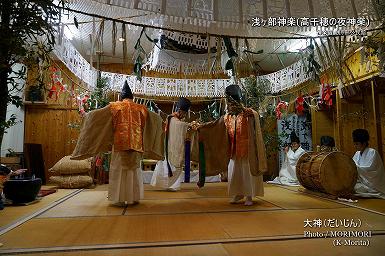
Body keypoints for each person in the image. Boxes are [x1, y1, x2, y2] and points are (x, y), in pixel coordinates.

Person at [72, 81, 164, 206]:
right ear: (132, 97)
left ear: (121, 97)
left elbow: (96, 116)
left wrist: (86, 116)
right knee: (133, 172)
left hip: (120, 144)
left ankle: (119, 200)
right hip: (137, 146)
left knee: (119, 171)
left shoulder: (115, 106)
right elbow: (156, 119)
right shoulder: (141, 108)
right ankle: (134, 198)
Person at [216, 84, 267, 206]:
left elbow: (255, 115)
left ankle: (249, 196)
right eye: (229, 104)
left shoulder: (247, 114)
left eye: (233, 103)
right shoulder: (228, 117)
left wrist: (253, 114)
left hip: (247, 149)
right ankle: (237, 194)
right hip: (233, 150)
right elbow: (217, 126)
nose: (231, 106)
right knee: (234, 173)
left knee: (247, 173)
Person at [150, 97, 192, 191]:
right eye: (184, 113)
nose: (184, 115)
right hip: (169, 146)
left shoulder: (173, 119)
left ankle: (173, 185)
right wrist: (187, 125)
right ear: (180, 111)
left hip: (172, 145)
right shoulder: (172, 118)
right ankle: (166, 185)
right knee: (168, 166)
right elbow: (178, 125)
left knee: (172, 166)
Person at [352, 129, 385, 199]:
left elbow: (369, 170)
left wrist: (353, 167)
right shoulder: (357, 153)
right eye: (354, 144)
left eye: (357, 144)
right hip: (361, 182)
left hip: (373, 185)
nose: (355, 146)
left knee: (356, 189)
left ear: (364, 143)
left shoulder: (372, 152)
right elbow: (353, 166)